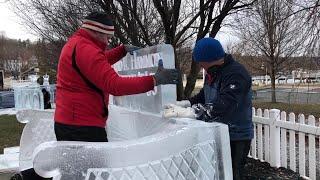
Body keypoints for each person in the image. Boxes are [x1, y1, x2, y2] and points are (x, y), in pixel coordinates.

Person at [19, 11, 179, 180]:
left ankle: (27, 177)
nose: (108, 41)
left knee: (72, 170)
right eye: (107, 36)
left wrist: (121, 51)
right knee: (93, 174)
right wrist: (154, 80)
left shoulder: (78, 44)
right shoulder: (86, 49)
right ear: (95, 31)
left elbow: (96, 64)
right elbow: (115, 85)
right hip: (82, 127)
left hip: (71, 122)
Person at [172, 37, 253, 180]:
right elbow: (204, 96)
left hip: (237, 135)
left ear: (210, 59)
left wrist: (191, 113)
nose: (201, 66)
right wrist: (186, 104)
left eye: (202, 63)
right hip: (217, 131)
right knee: (218, 172)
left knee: (233, 173)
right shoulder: (212, 73)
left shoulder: (236, 74)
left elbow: (224, 105)